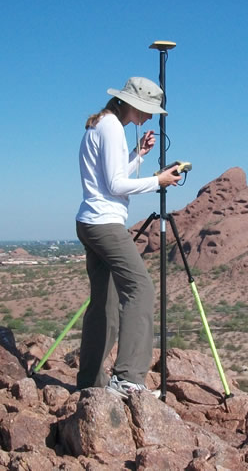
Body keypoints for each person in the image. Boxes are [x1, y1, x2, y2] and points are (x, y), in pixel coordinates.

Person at [75, 77, 182, 397]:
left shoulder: (104, 125)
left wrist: (139, 154)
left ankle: (90, 383)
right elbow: (116, 186)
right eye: (147, 110)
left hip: (90, 221)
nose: (149, 117)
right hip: (105, 223)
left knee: (104, 304)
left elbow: (111, 175)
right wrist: (158, 181)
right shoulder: (110, 128)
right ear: (131, 103)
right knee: (141, 289)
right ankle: (129, 378)